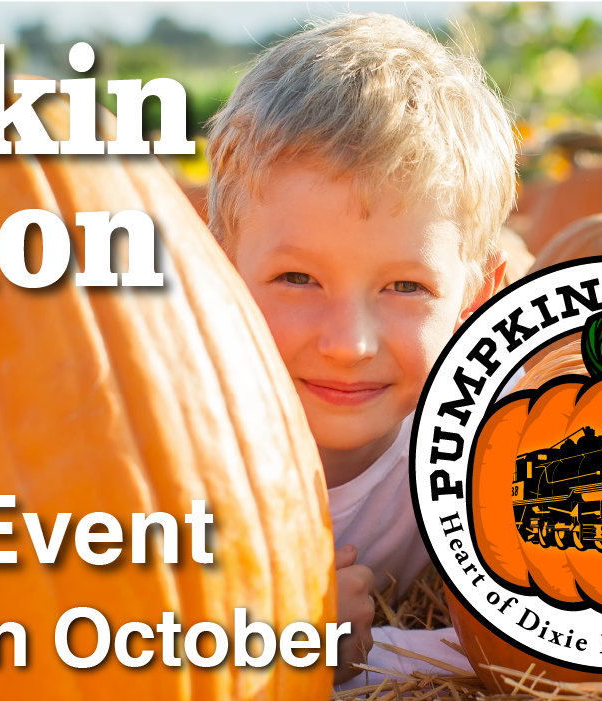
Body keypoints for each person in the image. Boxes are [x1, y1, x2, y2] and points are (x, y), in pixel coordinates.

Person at [204, 13, 517, 688]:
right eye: (297, 279)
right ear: (218, 267)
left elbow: (554, 643)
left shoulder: (492, 439)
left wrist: (363, 656)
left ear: (475, 298)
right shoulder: (170, 452)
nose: (348, 343)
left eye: (405, 286)